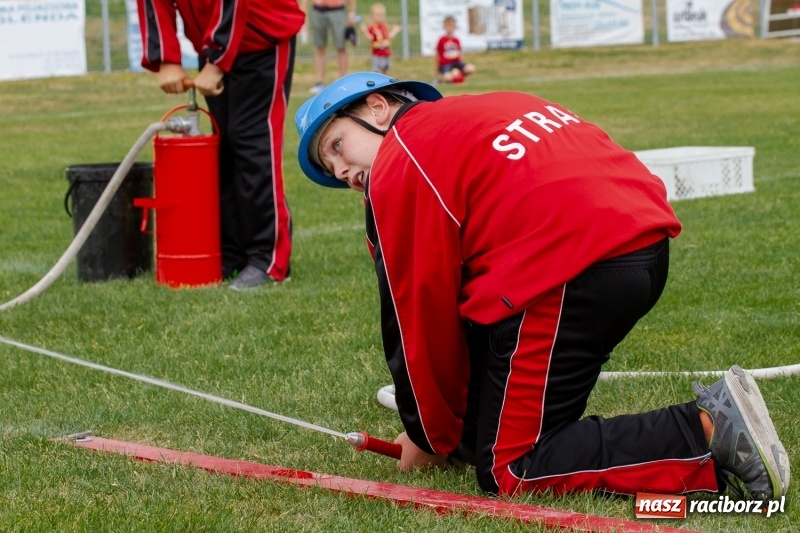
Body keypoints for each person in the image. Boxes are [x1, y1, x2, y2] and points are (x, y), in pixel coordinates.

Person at [294, 73, 790, 500]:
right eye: (330, 170)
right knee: (490, 432)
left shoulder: (402, 161)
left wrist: (427, 438)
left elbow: (416, 316)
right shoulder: (485, 108)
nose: (341, 172)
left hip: (567, 274)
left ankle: (705, 432)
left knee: (511, 467)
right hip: (643, 246)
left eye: (336, 145)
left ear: (378, 108)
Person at [136, 0, 302, 289]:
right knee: (222, 148)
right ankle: (233, 255)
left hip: (261, 38)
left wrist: (217, 59)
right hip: (213, 45)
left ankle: (268, 259)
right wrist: (166, 58)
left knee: (252, 142)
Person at [300, 0, 358, 94]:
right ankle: (319, 82)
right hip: (318, 10)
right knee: (320, 47)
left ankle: (343, 81)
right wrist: (303, 10)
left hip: (338, 10)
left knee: (341, 47)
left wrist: (352, 13)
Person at [360, 3, 400, 75]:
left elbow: (388, 37)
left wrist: (394, 31)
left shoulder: (384, 27)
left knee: (386, 69)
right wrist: (365, 31)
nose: (380, 17)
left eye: (382, 15)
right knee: (377, 72)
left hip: (386, 53)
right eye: (378, 15)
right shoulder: (372, 28)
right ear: (372, 16)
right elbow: (371, 38)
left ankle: (385, 83)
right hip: (377, 55)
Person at [435, 16, 475, 84]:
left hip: (456, 63)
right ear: (444, 27)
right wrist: (437, 69)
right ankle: (441, 77)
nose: (449, 28)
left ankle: (459, 77)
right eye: (448, 26)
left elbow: (460, 52)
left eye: (451, 26)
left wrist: (462, 64)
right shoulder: (442, 40)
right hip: (446, 65)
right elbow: (437, 54)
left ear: (454, 27)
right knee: (448, 77)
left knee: (471, 68)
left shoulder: (456, 40)